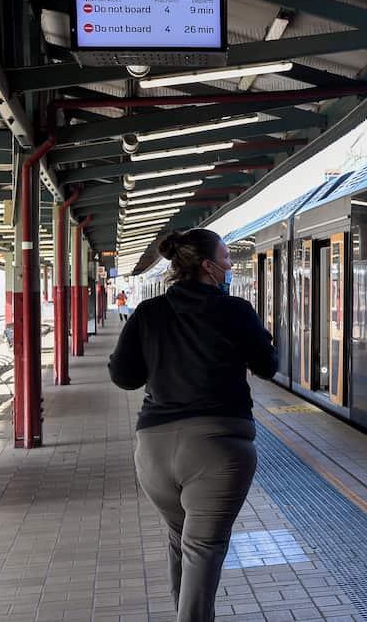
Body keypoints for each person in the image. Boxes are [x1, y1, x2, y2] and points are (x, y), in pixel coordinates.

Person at [109, 228, 278, 622]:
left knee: (180, 540)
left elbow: (124, 376)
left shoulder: (148, 313)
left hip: (152, 453)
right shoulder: (235, 310)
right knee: (203, 549)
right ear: (208, 266)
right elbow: (268, 366)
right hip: (217, 449)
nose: (230, 266)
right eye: (226, 259)